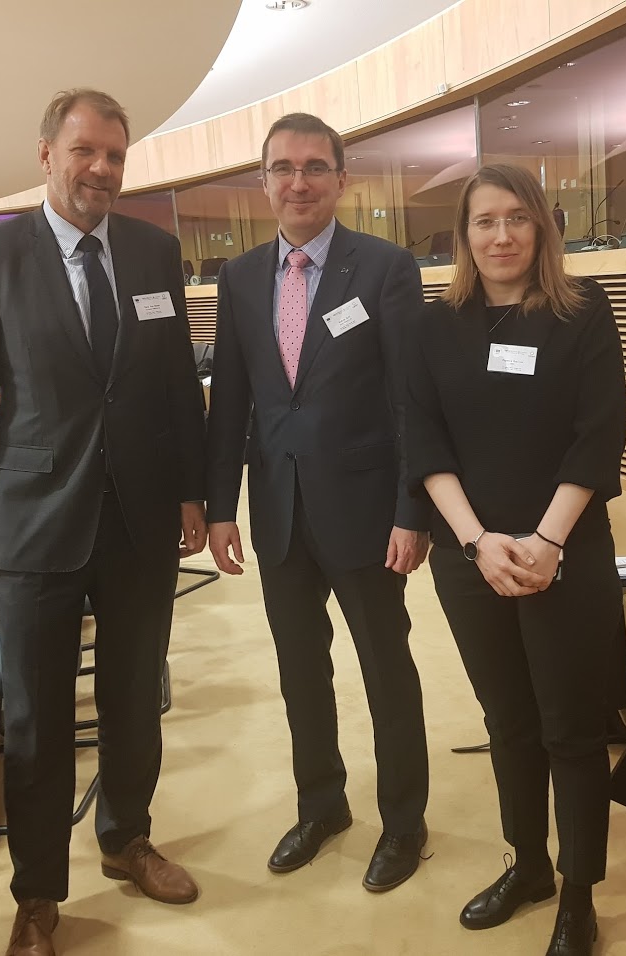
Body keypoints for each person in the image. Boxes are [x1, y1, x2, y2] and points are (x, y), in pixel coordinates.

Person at [0, 89, 208, 956]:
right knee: (37, 720)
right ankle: (37, 895)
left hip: (139, 518)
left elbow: (175, 384)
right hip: (32, 524)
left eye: (115, 155)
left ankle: (127, 838)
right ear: (46, 154)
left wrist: (193, 492)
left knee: (134, 697)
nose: (101, 169)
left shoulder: (154, 251)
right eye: (85, 150)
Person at [205, 112, 432, 892]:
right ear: (263, 181)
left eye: (313, 167)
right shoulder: (239, 278)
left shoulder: (385, 268)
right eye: (282, 168)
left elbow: (409, 401)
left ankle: (404, 821)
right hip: (279, 513)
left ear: (341, 178)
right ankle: (321, 805)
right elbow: (231, 404)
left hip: (368, 515)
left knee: (386, 672)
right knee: (301, 673)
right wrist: (221, 507)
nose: (297, 182)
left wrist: (412, 510)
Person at [405, 163, 626, 956]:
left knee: (571, 730)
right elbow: (422, 439)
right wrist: (475, 541)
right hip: (470, 558)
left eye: (517, 218)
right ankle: (529, 865)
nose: (501, 236)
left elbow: (599, 434)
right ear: (464, 235)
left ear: (542, 226)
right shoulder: (436, 324)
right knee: (508, 723)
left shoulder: (583, 310)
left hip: (565, 552)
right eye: (484, 221)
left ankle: (579, 894)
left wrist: (545, 541)